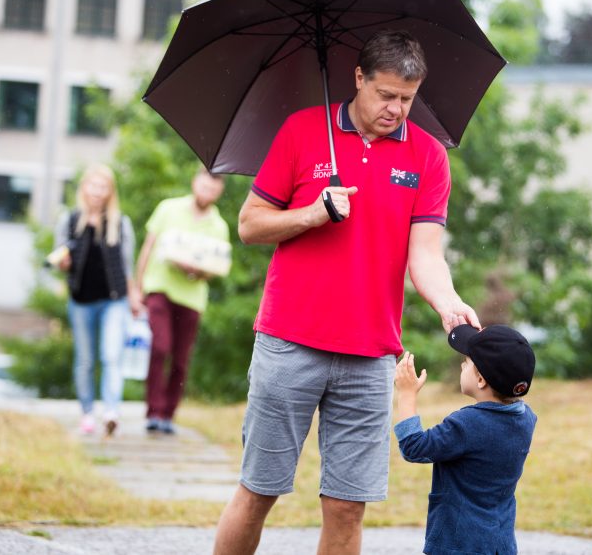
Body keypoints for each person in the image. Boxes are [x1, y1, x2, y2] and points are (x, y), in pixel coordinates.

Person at [213, 30, 480, 555]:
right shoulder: (301, 131)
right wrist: (314, 212)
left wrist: (449, 305)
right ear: (358, 78)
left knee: (347, 505)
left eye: (406, 98)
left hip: (370, 355)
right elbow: (249, 225)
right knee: (259, 490)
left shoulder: (428, 157)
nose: (396, 109)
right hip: (290, 341)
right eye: (385, 94)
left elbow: (425, 255)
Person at [394, 325, 538, 555]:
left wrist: (406, 394)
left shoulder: (467, 424)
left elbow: (413, 447)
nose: (462, 364)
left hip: (458, 544)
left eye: (468, 362)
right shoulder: (527, 418)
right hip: (501, 544)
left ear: (481, 379)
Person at [132, 169, 229, 435]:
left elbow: (217, 266)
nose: (207, 191)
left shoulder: (218, 226)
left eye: (213, 189)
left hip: (192, 297)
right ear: (195, 182)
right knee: (160, 346)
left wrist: (197, 270)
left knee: (181, 359)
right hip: (159, 287)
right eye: (204, 186)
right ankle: (153, 409)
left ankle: (167, 414)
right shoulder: (168, 209)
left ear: (218, 191)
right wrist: (136, 288)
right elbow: (148, 247)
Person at [53, 163, 137, 437]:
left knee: (111, 355)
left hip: (114, 300)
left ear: (110, 192)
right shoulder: (69, 220)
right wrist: (63, 264)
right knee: (85, 359)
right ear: (84, 188)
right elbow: (59, 258)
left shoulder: (120, 223)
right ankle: (87, 413)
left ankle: (111, 411)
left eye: (103, 187)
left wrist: (135, 296)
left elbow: (127, 266)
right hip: (81, 300)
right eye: (93, 185)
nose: (97, 192)